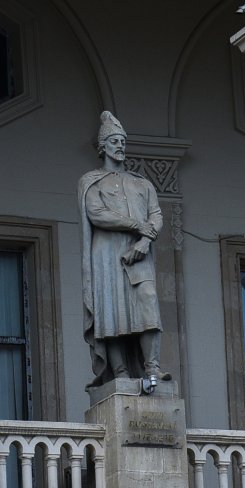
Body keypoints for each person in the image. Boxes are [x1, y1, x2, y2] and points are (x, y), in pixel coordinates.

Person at [79, 111, 165, 388]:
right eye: (114, 141)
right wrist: (136, 225)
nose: (120, 146)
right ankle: (120, 373)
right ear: (103, 147)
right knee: (111, 312)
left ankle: (152, 367)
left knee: (148, 303)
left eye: (122, 141)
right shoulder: (92, 182)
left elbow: (157, 216)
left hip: (139, 252)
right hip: (106, 254)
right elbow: (96, 213)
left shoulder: (142, 183)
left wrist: (144, 241)